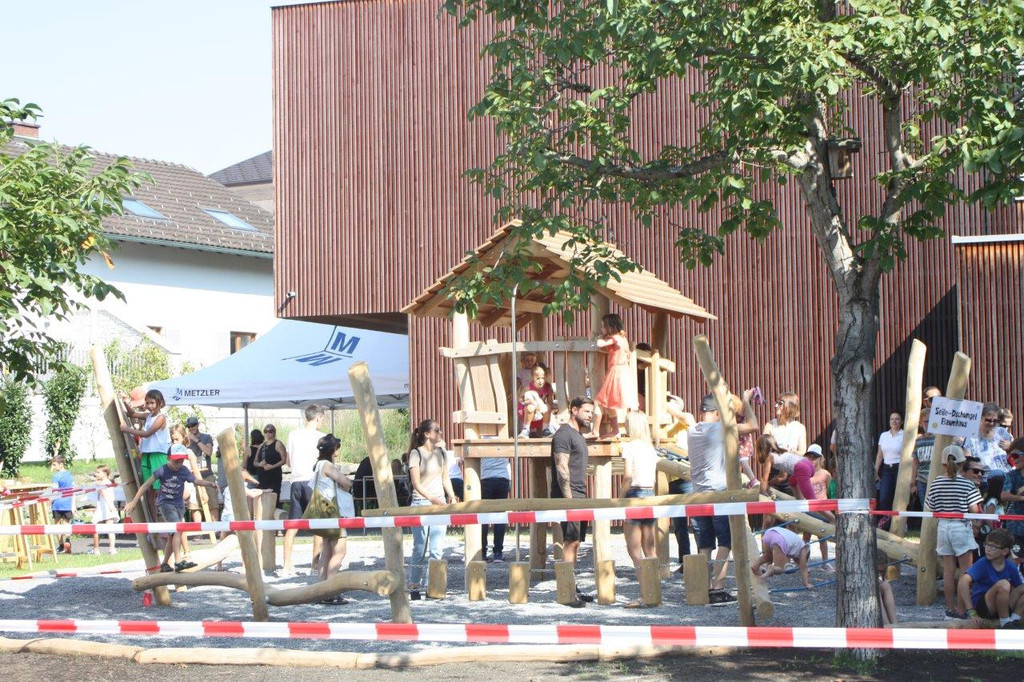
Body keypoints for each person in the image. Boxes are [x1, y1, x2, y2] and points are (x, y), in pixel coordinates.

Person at [689, 391, 759, 604]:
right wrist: (746, 401)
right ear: (718, 413)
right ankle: (717, 588)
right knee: (725, 542)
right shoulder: (721, 429)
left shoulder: (692, 430)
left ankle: (702, 589)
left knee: (704, 544)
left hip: (697, 495)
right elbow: (753, 425)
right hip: (719, 493)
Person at [124, 444, 217, 573]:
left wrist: (210, 484)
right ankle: (178, 562)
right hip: (166, 505)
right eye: (176, 461)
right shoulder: (162, 470)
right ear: (168, 458)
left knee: (172, 536)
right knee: (178, 529)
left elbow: (196, 481)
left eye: (181, 461)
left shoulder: (184, 470)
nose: (179, 464)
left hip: (179, 505)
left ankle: (164, 564)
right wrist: (134, 501)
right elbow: (145, 485)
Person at [925, 444, 983, 619]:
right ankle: (961, 609)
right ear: (962, 464)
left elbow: (930, 507)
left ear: (944, 463)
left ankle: (950, 609)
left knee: (948, 572)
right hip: (961, 527)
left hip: (943, 527)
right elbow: (975, 510)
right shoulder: (967, 484)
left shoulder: (936, 483)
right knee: (966, 572)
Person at [551, 396, 596, 607]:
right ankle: (567, 591)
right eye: (587, 411)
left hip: (580, 495)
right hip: (569, 496)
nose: (590, 416)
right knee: (570, 542)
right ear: (574, 410)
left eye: (592, 412)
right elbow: (561, 467)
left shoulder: (578, 435)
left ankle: (572, 586)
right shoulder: (563, 434)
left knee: (576, 542)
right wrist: (568, 499)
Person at [407, 419, 458, 600]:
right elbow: (416, 483)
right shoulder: (416, 454)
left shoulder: (442, 453)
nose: (440, 433)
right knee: (420, 547)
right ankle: (414, 585)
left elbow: (445, 478)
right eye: (437, 430)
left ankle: (433, 586)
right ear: (427, 434)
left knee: (437, 549)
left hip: (439, 504)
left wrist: (451, 495)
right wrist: (431, 498)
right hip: (421, 503)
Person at [282, 404, 326, 577]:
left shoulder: (293, 434)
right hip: (312, 481)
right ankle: (314, 565)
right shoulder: (321, 437)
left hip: (296, 481)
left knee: (292, 525)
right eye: (322, 419)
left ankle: (286, 565)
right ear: (318, 418)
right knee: (318, 526)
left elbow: (288, 461)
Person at [310, 434, 355, 600]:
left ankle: (320, 589)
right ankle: (331, 589)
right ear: (332, 449)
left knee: (327, 552)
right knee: (340, 551)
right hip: (332, 511)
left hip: (322, 510)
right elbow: (346, 482)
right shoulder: (328, 465)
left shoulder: (318, 465)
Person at [957, 528, 1024, 628]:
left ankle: (1015, 619)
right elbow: (963, 581)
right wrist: (971, 611)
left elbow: (1018, 589)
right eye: (987, 545)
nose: (987, 549)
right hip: (984, 606)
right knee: (1003, 584)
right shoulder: (983, 563)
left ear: (1004, 551)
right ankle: (1005, 622)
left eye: (993, 547)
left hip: (1002, 605)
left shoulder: (1011, 567)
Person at [121, 389, 170, 516]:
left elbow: (147, 434)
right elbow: (132, 414)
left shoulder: (161, 417)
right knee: (148, 490)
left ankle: (165, 517)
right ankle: (154, 520)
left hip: (158, 454)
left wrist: (128, 430)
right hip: (147, 454)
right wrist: (125, 402)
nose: (149, 406)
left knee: (160, 488)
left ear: (160, 403)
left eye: (152, 403)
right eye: (147, 403)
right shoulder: (148, 416)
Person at [620, 412, 658, 575]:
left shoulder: (629, 447)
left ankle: (645, 587)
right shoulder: (650, 448)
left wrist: (620, 498)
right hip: (649, 493)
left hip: (634, 494)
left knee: (634, 550)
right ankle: (654, 585)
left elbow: (628, 476)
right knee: (649, 548)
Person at [591, 313, 638, 438]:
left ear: (610, 327)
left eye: (603, 326)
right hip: (621, 371)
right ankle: (615, 430)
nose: (602, 329)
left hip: (616, 372)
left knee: (598, 401)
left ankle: (595, 431)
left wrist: (602, 336)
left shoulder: (615, 338)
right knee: (609, 403)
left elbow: (599, 344)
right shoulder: (622, 338)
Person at [751, 525, 813, 589]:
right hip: (780, 539)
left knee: (768, 556)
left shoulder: (797, 543)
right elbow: (803, 567)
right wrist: (806, 584)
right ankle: (771, 569)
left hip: (769, 533)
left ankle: (755, 565)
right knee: (780, 568)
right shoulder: (803, 548)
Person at [963, 402, 1011, 486]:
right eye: (988, 420)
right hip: (986, 481)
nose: (992, 423)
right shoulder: (972, 437)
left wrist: (1010, 447)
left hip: (1008, 478)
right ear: (981, 418)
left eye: (995, 420)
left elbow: (1015, 454)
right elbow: (968, 461)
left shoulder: (1002, 432)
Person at [805, 444, 834, 572]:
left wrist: (831, 509)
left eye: (814, 457)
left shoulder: (825, 474)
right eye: (809, 457)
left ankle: (825, 562)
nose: (812, 460)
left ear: (820, 458)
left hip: (823, 511)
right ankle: (804, 563)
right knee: (806, 537)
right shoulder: (805, 473)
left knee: (823, 537)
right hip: (809, 510)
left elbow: (830, 490)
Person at [874, 411, 904, 528]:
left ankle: (900, 523)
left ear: (901, 421)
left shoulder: (904, 434)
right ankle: (886, 522)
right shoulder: (884, 435)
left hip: (900, 467)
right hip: (887, 468)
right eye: (892, 419)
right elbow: (879, 455)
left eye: (897, 419)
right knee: (884, 497)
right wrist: (876, 470)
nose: (894, 421)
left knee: (899, 496)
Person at [186, 416, 219, 522]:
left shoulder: (206, 437)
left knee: (212, 504)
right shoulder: (186, 441)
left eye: (193, 425)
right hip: (192, 477)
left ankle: (215, 528)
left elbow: (208, 452)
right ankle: (198, 529)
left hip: (207, 475)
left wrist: (196, 440)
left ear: (198, 425)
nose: (191, 428)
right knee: (194, 506)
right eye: (189, 426)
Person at [480, 455, 511, 562]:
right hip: (502, 476)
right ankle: (498, 553)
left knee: (483, 518)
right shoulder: (504, 443)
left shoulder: (480, 443)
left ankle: (482, 552)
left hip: (486, 477)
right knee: (500, 517)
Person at [518, 365, 556, 438]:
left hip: (540, 409)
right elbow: (520, 399)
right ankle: (525, 429)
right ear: (533, 378)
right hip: (527, 410)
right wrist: (527, 401)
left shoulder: (548, 387)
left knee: (547, 407)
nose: (540, 381)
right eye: (538, 378)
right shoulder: (528, 387)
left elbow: (549, 402)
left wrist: (551, 406)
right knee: (530, 407)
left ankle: (545, 429)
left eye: (543, 378)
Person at [1000, 440, 1024, 547]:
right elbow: (1004, 496)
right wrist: (1021, 498)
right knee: (1015, 555)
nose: (1013, 459)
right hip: (1015, 527)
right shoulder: (1011, 475)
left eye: (1015, 455)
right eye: (1010, 456)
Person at [89, 465, 117, 555]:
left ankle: (96, 549)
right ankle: (112, 549)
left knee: (96, 527)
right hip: (105, 506)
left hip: (105, 507)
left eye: (98, 472)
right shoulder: (107, 482)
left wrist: (111, 507)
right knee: (110, 529)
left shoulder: (102, 484)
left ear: (105, 473)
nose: (96, 474)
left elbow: (105, 495)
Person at [50, 455, 75, 554]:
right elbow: (73, 489)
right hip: (67, 502)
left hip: (57, 503)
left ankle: (60, 545)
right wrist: (73, 504)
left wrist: (50, 501)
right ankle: (67, 540)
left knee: (57, 524)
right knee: (66, 523)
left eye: (54, 465)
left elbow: (55, 491)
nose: (53, 467)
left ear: (61, 464)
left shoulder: (56, 476)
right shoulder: (70, 475)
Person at [910, 408, 935, 508]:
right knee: (924, 508)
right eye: (925, 421)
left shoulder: (938, 439)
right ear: (921, 423)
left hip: (936, 480)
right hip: (921, 480)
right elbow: (915, 462)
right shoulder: (918, 441)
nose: (928, 424)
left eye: (930, 421)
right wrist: (913, 483)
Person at [255, 423, 287, 499]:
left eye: (270, 431)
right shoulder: (261, 446)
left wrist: (272, 466)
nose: (267, 433)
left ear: (274, 432)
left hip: (274, 478)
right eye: (265, 431)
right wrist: (260, 464)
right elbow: (255, 462)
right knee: (262, 500)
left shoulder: (278, 444)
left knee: (273, 499)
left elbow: (284, 460)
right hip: (262, 478)